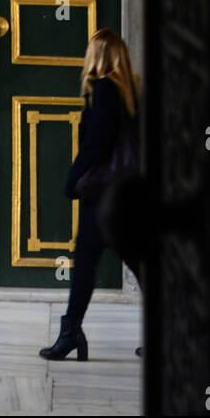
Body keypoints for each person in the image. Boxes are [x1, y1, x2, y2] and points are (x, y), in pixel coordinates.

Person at [39, 29, 141, 362]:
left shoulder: (106, 91)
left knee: (85, 259)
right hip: (128, 192)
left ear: (96, 57)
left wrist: (72, 178)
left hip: (103, 193)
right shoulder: (131, 91)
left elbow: (97, 143)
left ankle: (71, 333)